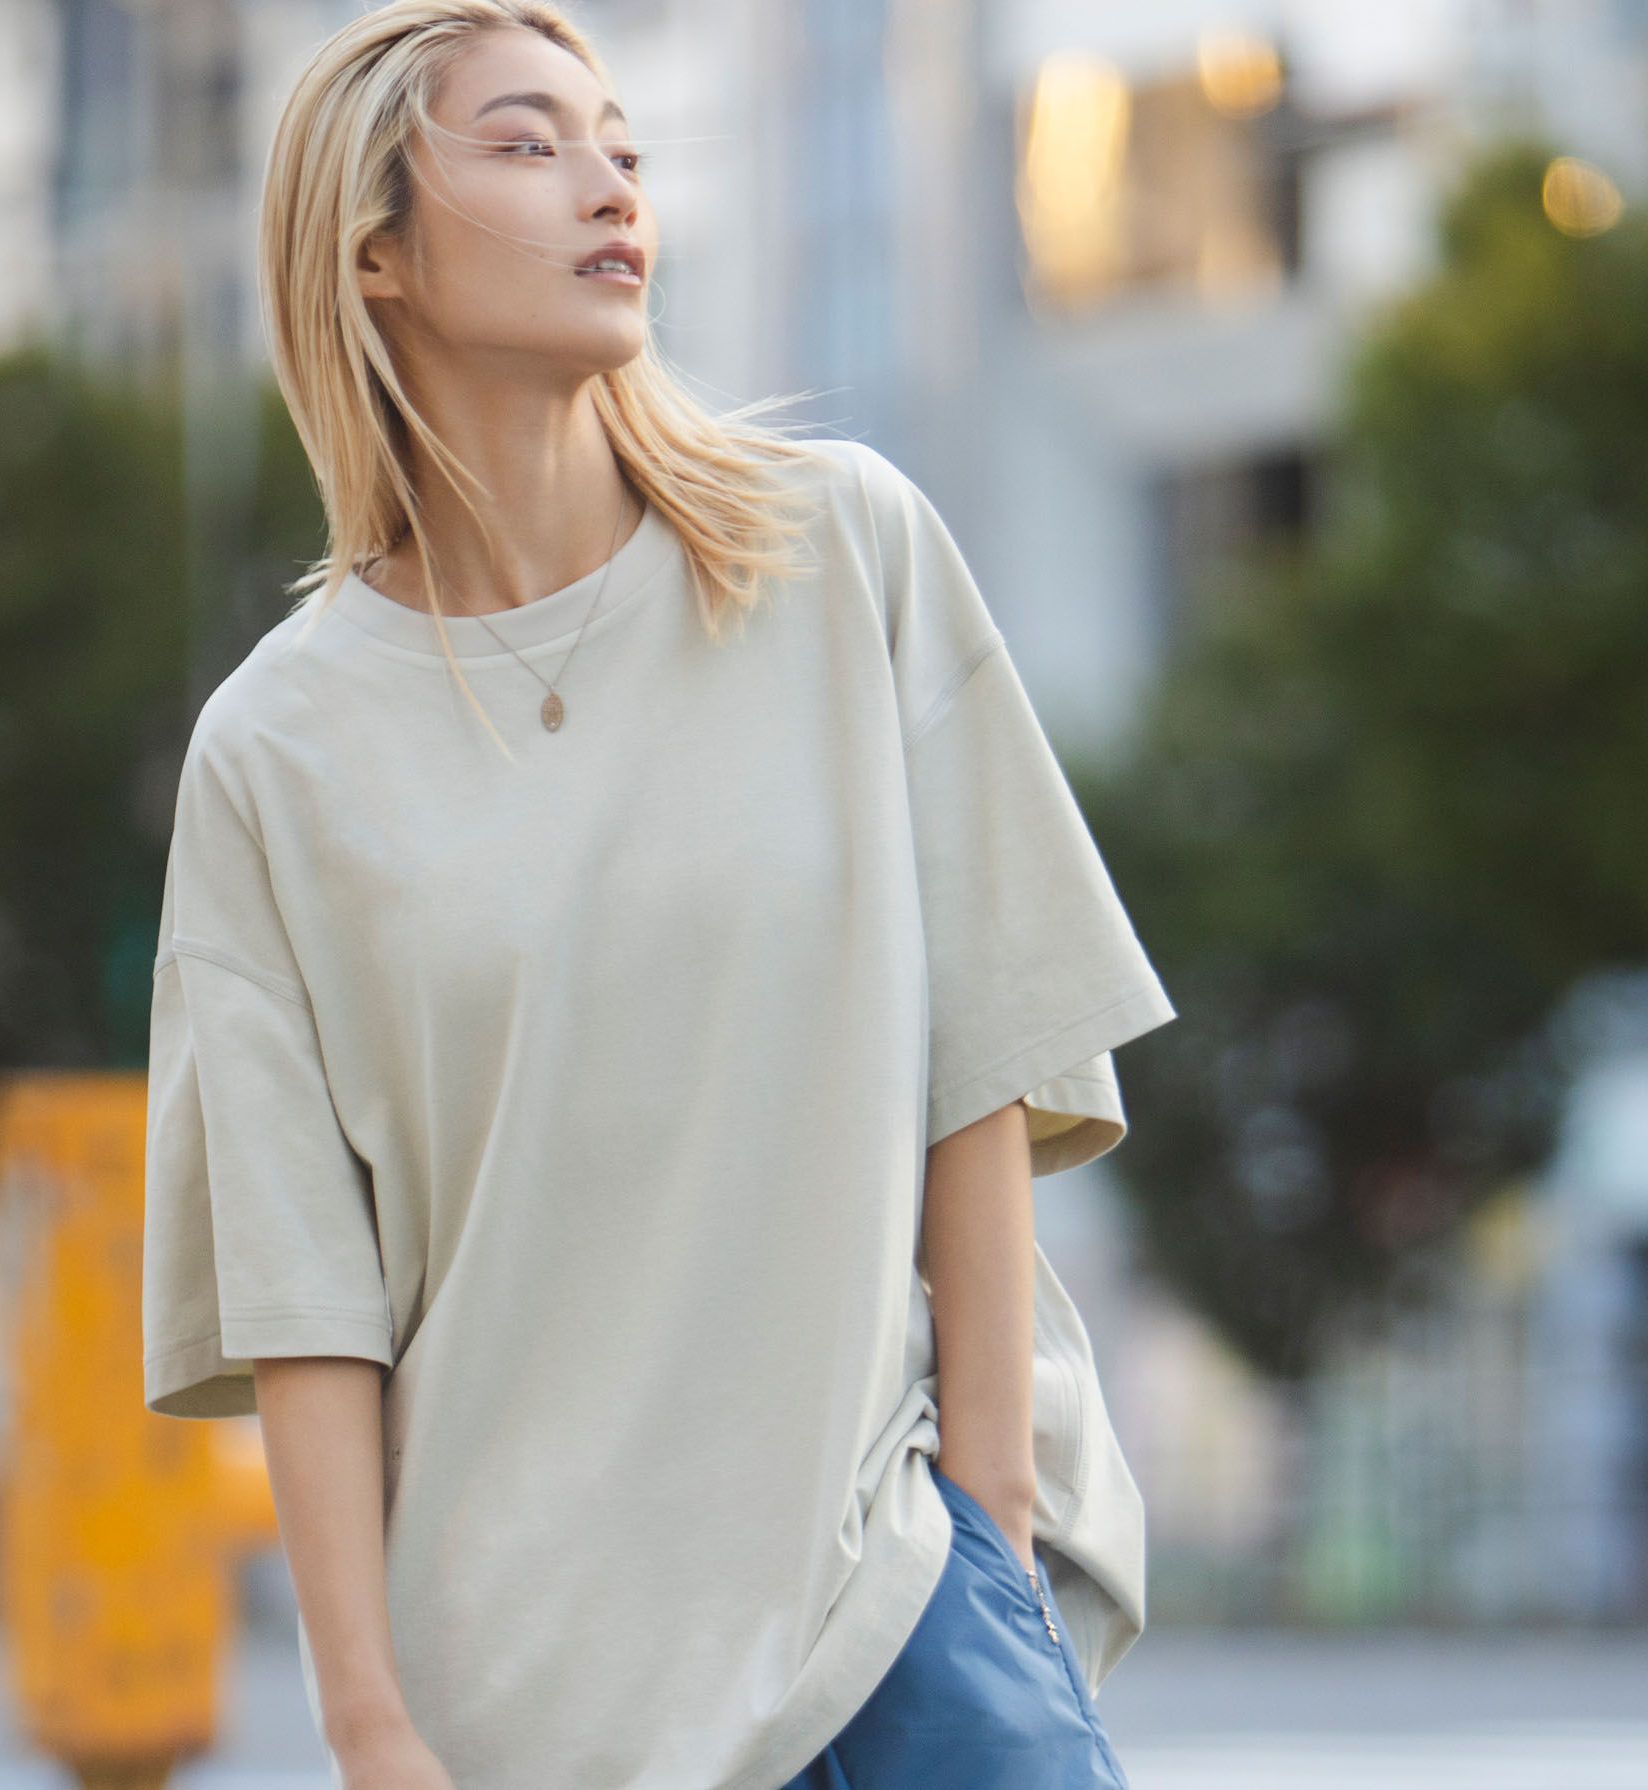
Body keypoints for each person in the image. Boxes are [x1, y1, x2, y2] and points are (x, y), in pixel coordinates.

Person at [136, 5, 1170, 1784]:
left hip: (896, 1620)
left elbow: (986, 1051)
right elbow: (304, 1299)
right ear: (369, 250)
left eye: (620, 141)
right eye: (530, 144)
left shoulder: (846, 553)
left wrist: (986, 1522)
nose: (610, 179)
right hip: (526, 1708)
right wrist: (367, 1717)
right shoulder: (272, 752)